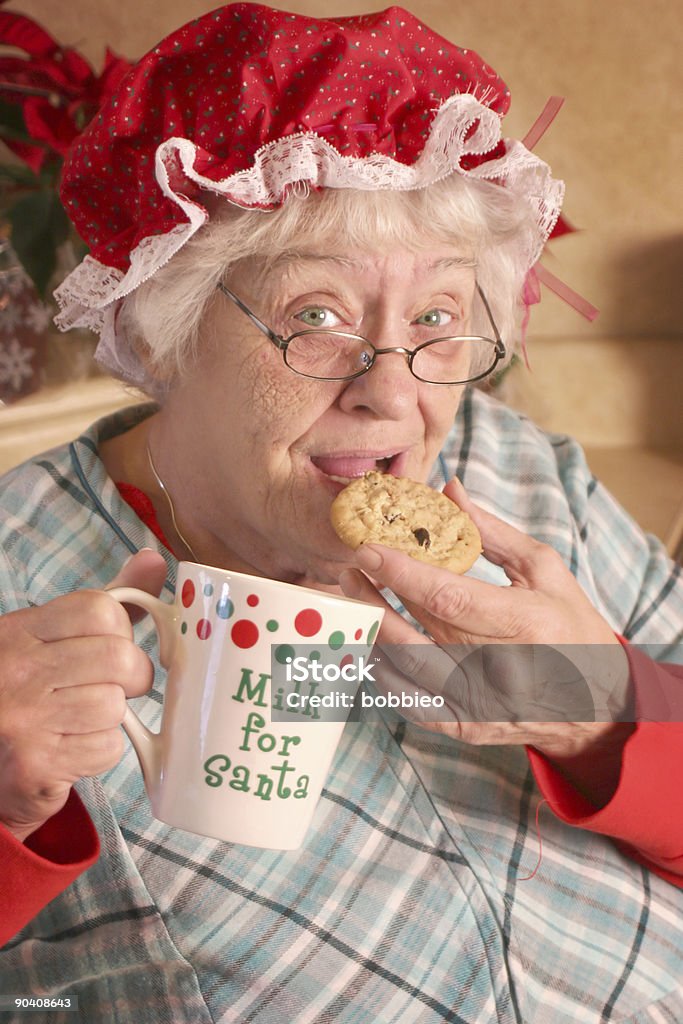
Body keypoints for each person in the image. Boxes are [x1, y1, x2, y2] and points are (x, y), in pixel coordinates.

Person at [1, 4, 682, 1021]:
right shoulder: (18, 569)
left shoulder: (520, 475)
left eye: (436, 320)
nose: (392, 390)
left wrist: (602, 710)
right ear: (168, 325)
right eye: (312, 318)